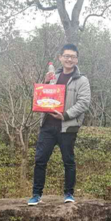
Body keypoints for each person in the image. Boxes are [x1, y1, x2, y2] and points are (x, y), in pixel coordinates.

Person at [27, 43, 91, 206]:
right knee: (40, 160)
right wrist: (44, 82)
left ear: (77, 59)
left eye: (73, 57)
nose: (69, 59)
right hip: (47, 125)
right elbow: (42, 96)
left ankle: (69, 193)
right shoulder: (53, 76)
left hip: (67, 126)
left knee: (68, 161)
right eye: (66, 56)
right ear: (60, 58)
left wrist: (65, 115)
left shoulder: (82, 80)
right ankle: (36, 194)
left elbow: (84, 103)